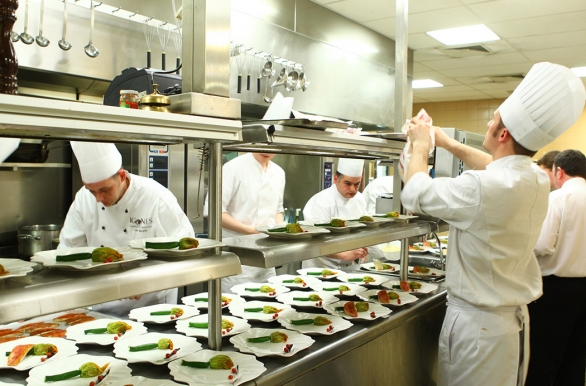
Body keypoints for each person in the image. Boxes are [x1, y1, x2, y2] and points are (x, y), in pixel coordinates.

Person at [401, 62, 585, 386]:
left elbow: (415, 193)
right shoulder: (535, 179)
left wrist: (420, 144)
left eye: (494, 118)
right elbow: (496, 166)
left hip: (477, 331)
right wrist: (449, 143)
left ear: (502, 133)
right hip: (509, 326)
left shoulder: (481, 188)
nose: (489, 121)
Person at [59, 142, 194, 316]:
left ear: (122, 176)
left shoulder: (156, 198)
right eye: (92, 191)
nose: (98, 198)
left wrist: (147, 279)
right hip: (100, 306)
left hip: (152, 307)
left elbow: (185, 253)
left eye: (105, 189)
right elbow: (68, 250)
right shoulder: (83, 198)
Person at [526, 150, 586, 386]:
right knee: (575, 357)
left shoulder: (558, 199)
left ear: (558, 171)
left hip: (555, 290)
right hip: (584, 289)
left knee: (544, 357)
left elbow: (541, 246)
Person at [216, 152, 286, 291]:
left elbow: (278, 209)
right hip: (237, 256)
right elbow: (215, 212)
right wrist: (251, 231)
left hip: (267, 257)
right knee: (234, 307)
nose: (266, 151)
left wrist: (278, 231)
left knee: (267, 306)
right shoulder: (232, 168)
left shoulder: (278, 172)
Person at [303, 158, 382, 271]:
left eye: (357, 184)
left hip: (350, 267)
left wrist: (384, 256)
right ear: (336, 179)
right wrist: (343, 254)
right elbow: (314, 244)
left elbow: (366, 232)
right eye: (348, 183)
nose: (353, 189)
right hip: (321, 270)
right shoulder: (321, 202)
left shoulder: (359, 199)